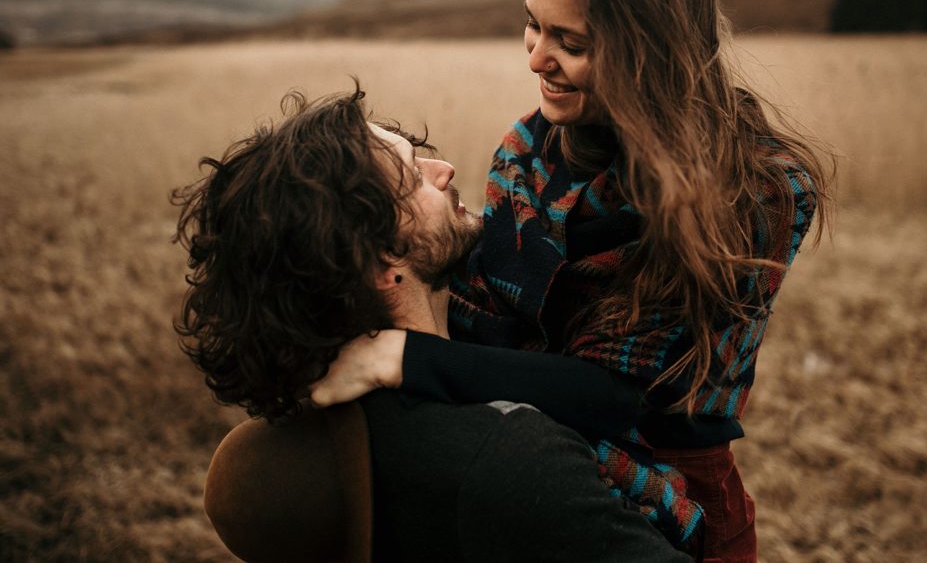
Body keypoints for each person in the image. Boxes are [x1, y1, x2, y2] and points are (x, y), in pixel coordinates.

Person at [309, 0, 833, 562]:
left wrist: (406, 360)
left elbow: (615, 398)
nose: (535, 58)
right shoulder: (531, 148)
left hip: (672, 506)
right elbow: (473, 314)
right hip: (525, 464)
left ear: (649, 46)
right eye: (532, 25)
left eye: (570, 41)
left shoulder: (752, 190)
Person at [172, 88, 695, 562]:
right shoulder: (510, 458)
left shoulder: (306, 436)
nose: (442, 168)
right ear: (379, 261)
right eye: (411, 175)